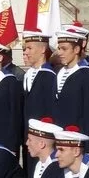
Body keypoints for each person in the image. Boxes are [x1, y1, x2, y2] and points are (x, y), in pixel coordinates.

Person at [52, 28, 89, 140]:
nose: (59, 53)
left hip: (78, 138)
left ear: (76, 49)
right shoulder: (59, 72)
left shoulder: (87, 75)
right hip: (60, 136)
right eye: (59, 48)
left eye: (64, 49)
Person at [21, 30, 58, 170]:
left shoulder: (49, 76)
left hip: (42, 138)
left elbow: (49, 109)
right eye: (25, 48)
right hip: (29, 136)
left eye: (30, 48)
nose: (26, 52)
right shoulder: (28, 74)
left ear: (43, 49)